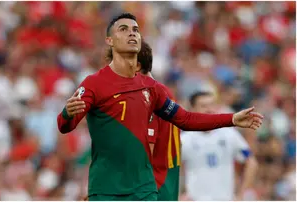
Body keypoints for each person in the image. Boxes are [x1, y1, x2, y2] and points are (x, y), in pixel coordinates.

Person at [57, 13, 263, 201]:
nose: (132, 33)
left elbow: (186, 119)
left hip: (145, 191)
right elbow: (65, 125)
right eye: (124, 29)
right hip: (106, 190)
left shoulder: (152, 89)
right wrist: (68, 113)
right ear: (110, 41)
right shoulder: (94, 83)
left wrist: (231, 119)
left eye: (135, 30)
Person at [180, 91, 259, 201]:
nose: (209, 109)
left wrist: (241, 194)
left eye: (212, 105)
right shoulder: (185, 139)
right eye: (203, 106)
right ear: (192, 109)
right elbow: (170, 168)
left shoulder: (229, 134)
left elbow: (251, 162)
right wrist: (178, 195)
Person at [135, 40, 181, 201]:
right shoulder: (162, 91)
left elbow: (145, 154)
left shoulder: (149, 96)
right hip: (164, 187)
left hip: (151, 189)